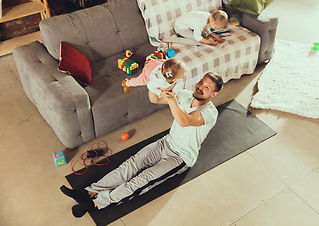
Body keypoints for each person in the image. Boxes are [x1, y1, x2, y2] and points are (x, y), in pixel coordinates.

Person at [60, 72, 224, 218]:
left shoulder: (210, 113)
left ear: (214, 94)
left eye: (207, 87)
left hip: (180, 157)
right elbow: (154, 99)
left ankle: (96, 203)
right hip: (165, 142)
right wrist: (153, 81)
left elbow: (184, 121)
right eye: (201, 82)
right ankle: (89, 192)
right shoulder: (185, 95)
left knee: (141, 180)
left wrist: (172, 98)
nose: (200, 87)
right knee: (130, 165)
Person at [122, 58, 186, 95]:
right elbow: (149, 86)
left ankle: (148, 63)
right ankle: (127, 83)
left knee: (166, 63)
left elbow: (180, 83)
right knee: (139, 80)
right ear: (174, 79)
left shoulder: (173, 75)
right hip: (149, 71)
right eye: (183, 72)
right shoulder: (159, 81)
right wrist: (160, 93)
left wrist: (174, 92)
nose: (185, 71)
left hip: (159, 65)